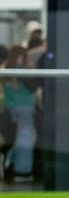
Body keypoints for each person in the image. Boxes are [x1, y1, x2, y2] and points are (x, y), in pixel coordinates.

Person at [2, 45, 37, 182]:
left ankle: (9, 160)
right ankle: (22, 171)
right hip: (24, 107)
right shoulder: (22, 71)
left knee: (16, 139)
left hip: (9, 108)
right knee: (25, 139)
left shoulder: (6, 71)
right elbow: (33, 87)